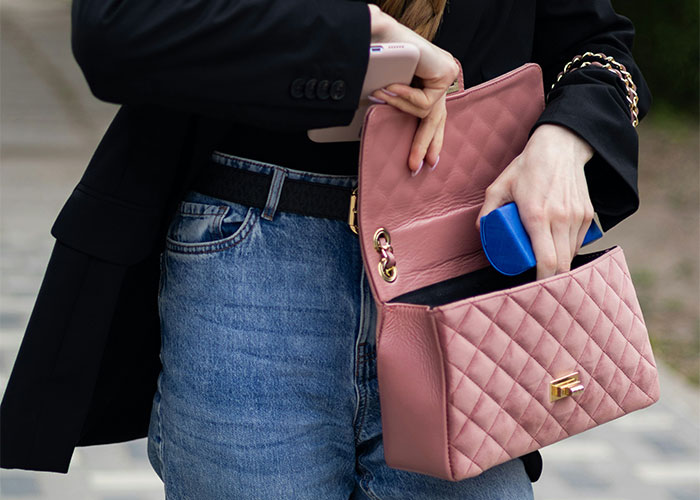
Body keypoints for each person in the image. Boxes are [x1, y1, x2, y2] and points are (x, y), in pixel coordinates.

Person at [0, 0, 650, 498]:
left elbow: (595, 46)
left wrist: (566, 138)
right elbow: (117, 26)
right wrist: (353, 39)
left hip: (455, 265)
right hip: (248, 268)